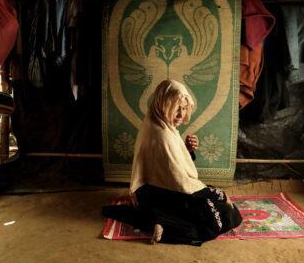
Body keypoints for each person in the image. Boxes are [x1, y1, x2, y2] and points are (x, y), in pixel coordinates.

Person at [102, 80, 242, 246]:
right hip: (160, 195)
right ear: (163, 104)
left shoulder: (156, 123)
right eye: (176, 108)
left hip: (152, 194)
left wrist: (188, 151)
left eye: (184, 108)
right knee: (224, 215)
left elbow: (170, 169)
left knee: (214, 205)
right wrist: (219, 194)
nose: (181, 114)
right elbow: (180, 182)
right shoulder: (161, 134)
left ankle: (158, 221)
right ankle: (167, 228)